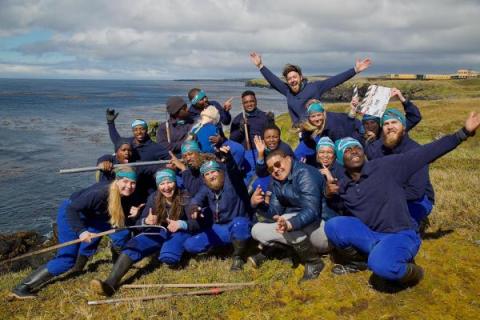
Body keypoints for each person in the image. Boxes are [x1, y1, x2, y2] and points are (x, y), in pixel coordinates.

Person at [324, 112, 479, 290]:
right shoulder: (343, 184)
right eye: (346, 150)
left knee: (381, 266)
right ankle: (366, 260)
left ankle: (414, 272)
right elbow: (338, 206)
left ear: (363, 152)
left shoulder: (388, 166)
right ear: (341, 160)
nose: (353, 151)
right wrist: (329, 194)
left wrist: (463, 133)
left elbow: (427, 153)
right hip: (372, 235)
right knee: (333, 226)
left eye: (356, 147)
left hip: (400, 233)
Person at [10, 167, 143, 299]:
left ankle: (115, 264)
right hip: (72, 215)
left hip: (92, 215)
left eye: (133, 183)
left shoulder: (123, 194)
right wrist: (81, 232)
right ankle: (22, 288)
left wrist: (135, 213)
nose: (129, 186)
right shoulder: (100, 193)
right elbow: (71, 210)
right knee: (66, 259)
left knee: (121, 231)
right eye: (125, 181)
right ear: (117, 180)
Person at [90, 169, 197, 297]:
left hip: (180, 231)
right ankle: (110, 284)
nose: (166, 187)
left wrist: (181, 224)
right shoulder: (154, 198)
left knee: (169, 257)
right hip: (160, 230)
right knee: (133, 245)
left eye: (169, 182)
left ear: (175, 182)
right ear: (158, 186)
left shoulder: (185, 196)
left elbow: (196, 224)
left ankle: (181, 252)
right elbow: (140, 225)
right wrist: (146, 220)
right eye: (162, 184)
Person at [249, 149, 328, 281]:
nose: (275, 170)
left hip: (322, 229)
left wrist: (290, 224)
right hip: (298, 227)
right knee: (256, 230)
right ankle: (291, 251)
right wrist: (258, 204)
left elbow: (312, 210)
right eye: (270, 169)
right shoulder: (276, 181)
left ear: (288, 159)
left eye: (278, 164)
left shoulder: (305, 173)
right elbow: (275, 211)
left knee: (285, 220)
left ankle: (314, 262)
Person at [249, 52, 371, 126]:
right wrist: (260, 66)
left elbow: (335, 80)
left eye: (294, 77)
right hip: (301, 133)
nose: (292, 80)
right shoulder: (287, 91)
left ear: (301, 77)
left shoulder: (314, 87)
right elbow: (273, 80)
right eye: (289, 79)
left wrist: (355, 70)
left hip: (318, 128)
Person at [183, 147, 252, 271]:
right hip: (219, 228)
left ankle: (238, 256)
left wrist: (229, 158)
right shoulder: (206, 188)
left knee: (240, 224)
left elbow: (233, 170)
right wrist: (194, 208)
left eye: (214, 172)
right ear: (204, 179)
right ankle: (219, 247)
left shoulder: (232, 182)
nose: (211, 176)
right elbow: (195, 200)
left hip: (237, 224)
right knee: (190, 245)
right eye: (207, 174)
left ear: (221, 172)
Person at [365, 107, 434, 232]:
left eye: (394, 122)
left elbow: (416, 192)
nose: (390, 126)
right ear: (382, 129)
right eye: (386, 123)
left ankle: (418, 221)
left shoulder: (416, 151)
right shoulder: (379, 149)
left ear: (403, 126)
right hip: (389, 196)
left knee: (398, 229)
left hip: (418, 199)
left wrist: (385, 198)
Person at [294, 99, 359, 165]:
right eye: (313, 116)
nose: (317, 119)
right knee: (300, 151)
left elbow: (340, 146)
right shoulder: (307, 124)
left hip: (350, 131)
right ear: (309, 117)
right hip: (321, 138)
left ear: (323, 114)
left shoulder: (333, 125)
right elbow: (306, 140)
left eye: (319, 115)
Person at [353, 88, 422, 146]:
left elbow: (415, 117)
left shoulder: (391, 130)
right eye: (366, 123)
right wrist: (352, 111)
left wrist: (402, 98)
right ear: (363, 125)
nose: (370, 126)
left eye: (373, 122)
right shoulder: (359, 137)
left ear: (379, 123)